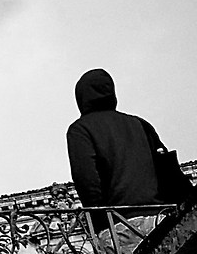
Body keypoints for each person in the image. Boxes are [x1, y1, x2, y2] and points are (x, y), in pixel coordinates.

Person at [67, 69, 164, 237]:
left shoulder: (81, 129)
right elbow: (164, 166)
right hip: (161, 218)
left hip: (121, 224)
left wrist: (101, 224)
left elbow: (87, 179)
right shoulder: (140, 123)